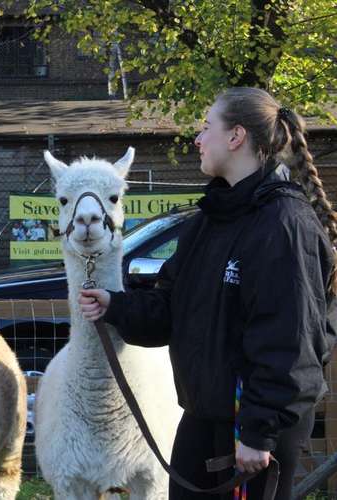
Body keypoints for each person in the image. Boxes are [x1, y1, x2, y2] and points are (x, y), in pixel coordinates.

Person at [79, 87, 337, 500]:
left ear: (236, 137)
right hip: (203, 419)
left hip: (252, 430)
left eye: (206, 127)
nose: (198, 139)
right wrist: (117, 306)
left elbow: (291, 342)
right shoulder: (206, 223)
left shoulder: (285, 226)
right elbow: (170, 309)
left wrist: (257, 432)